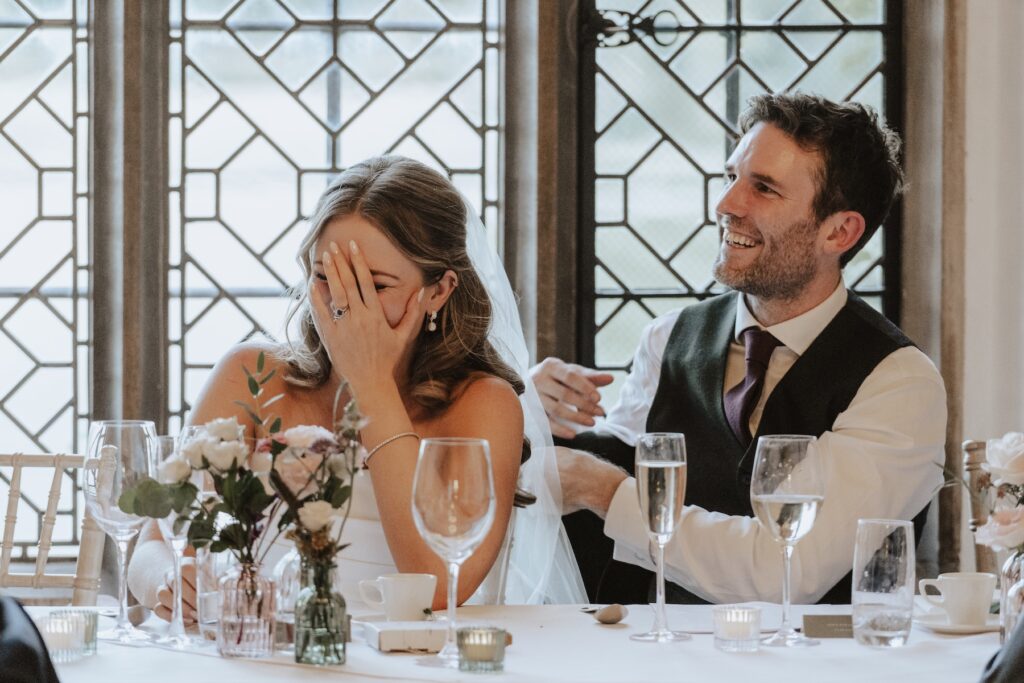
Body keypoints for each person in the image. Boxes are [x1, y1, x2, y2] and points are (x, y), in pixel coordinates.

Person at [128, 155, 585, 623]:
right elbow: (154, 542)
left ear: (439, 291)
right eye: (328, 277)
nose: (345, 302)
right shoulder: (252, 372)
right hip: (259, 652)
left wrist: (371, 383)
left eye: (376, 285)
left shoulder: (483, 403)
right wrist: (165, 581)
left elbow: (437, 584)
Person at [541, 93, 947, 605]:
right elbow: (613, 460)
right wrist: (527, 411)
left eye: (764, 188)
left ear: (839, 231)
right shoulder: (669, 338)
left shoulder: (898, 382)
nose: (727, 204)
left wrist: (605, 491)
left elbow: (785, 570)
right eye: (733, 177)